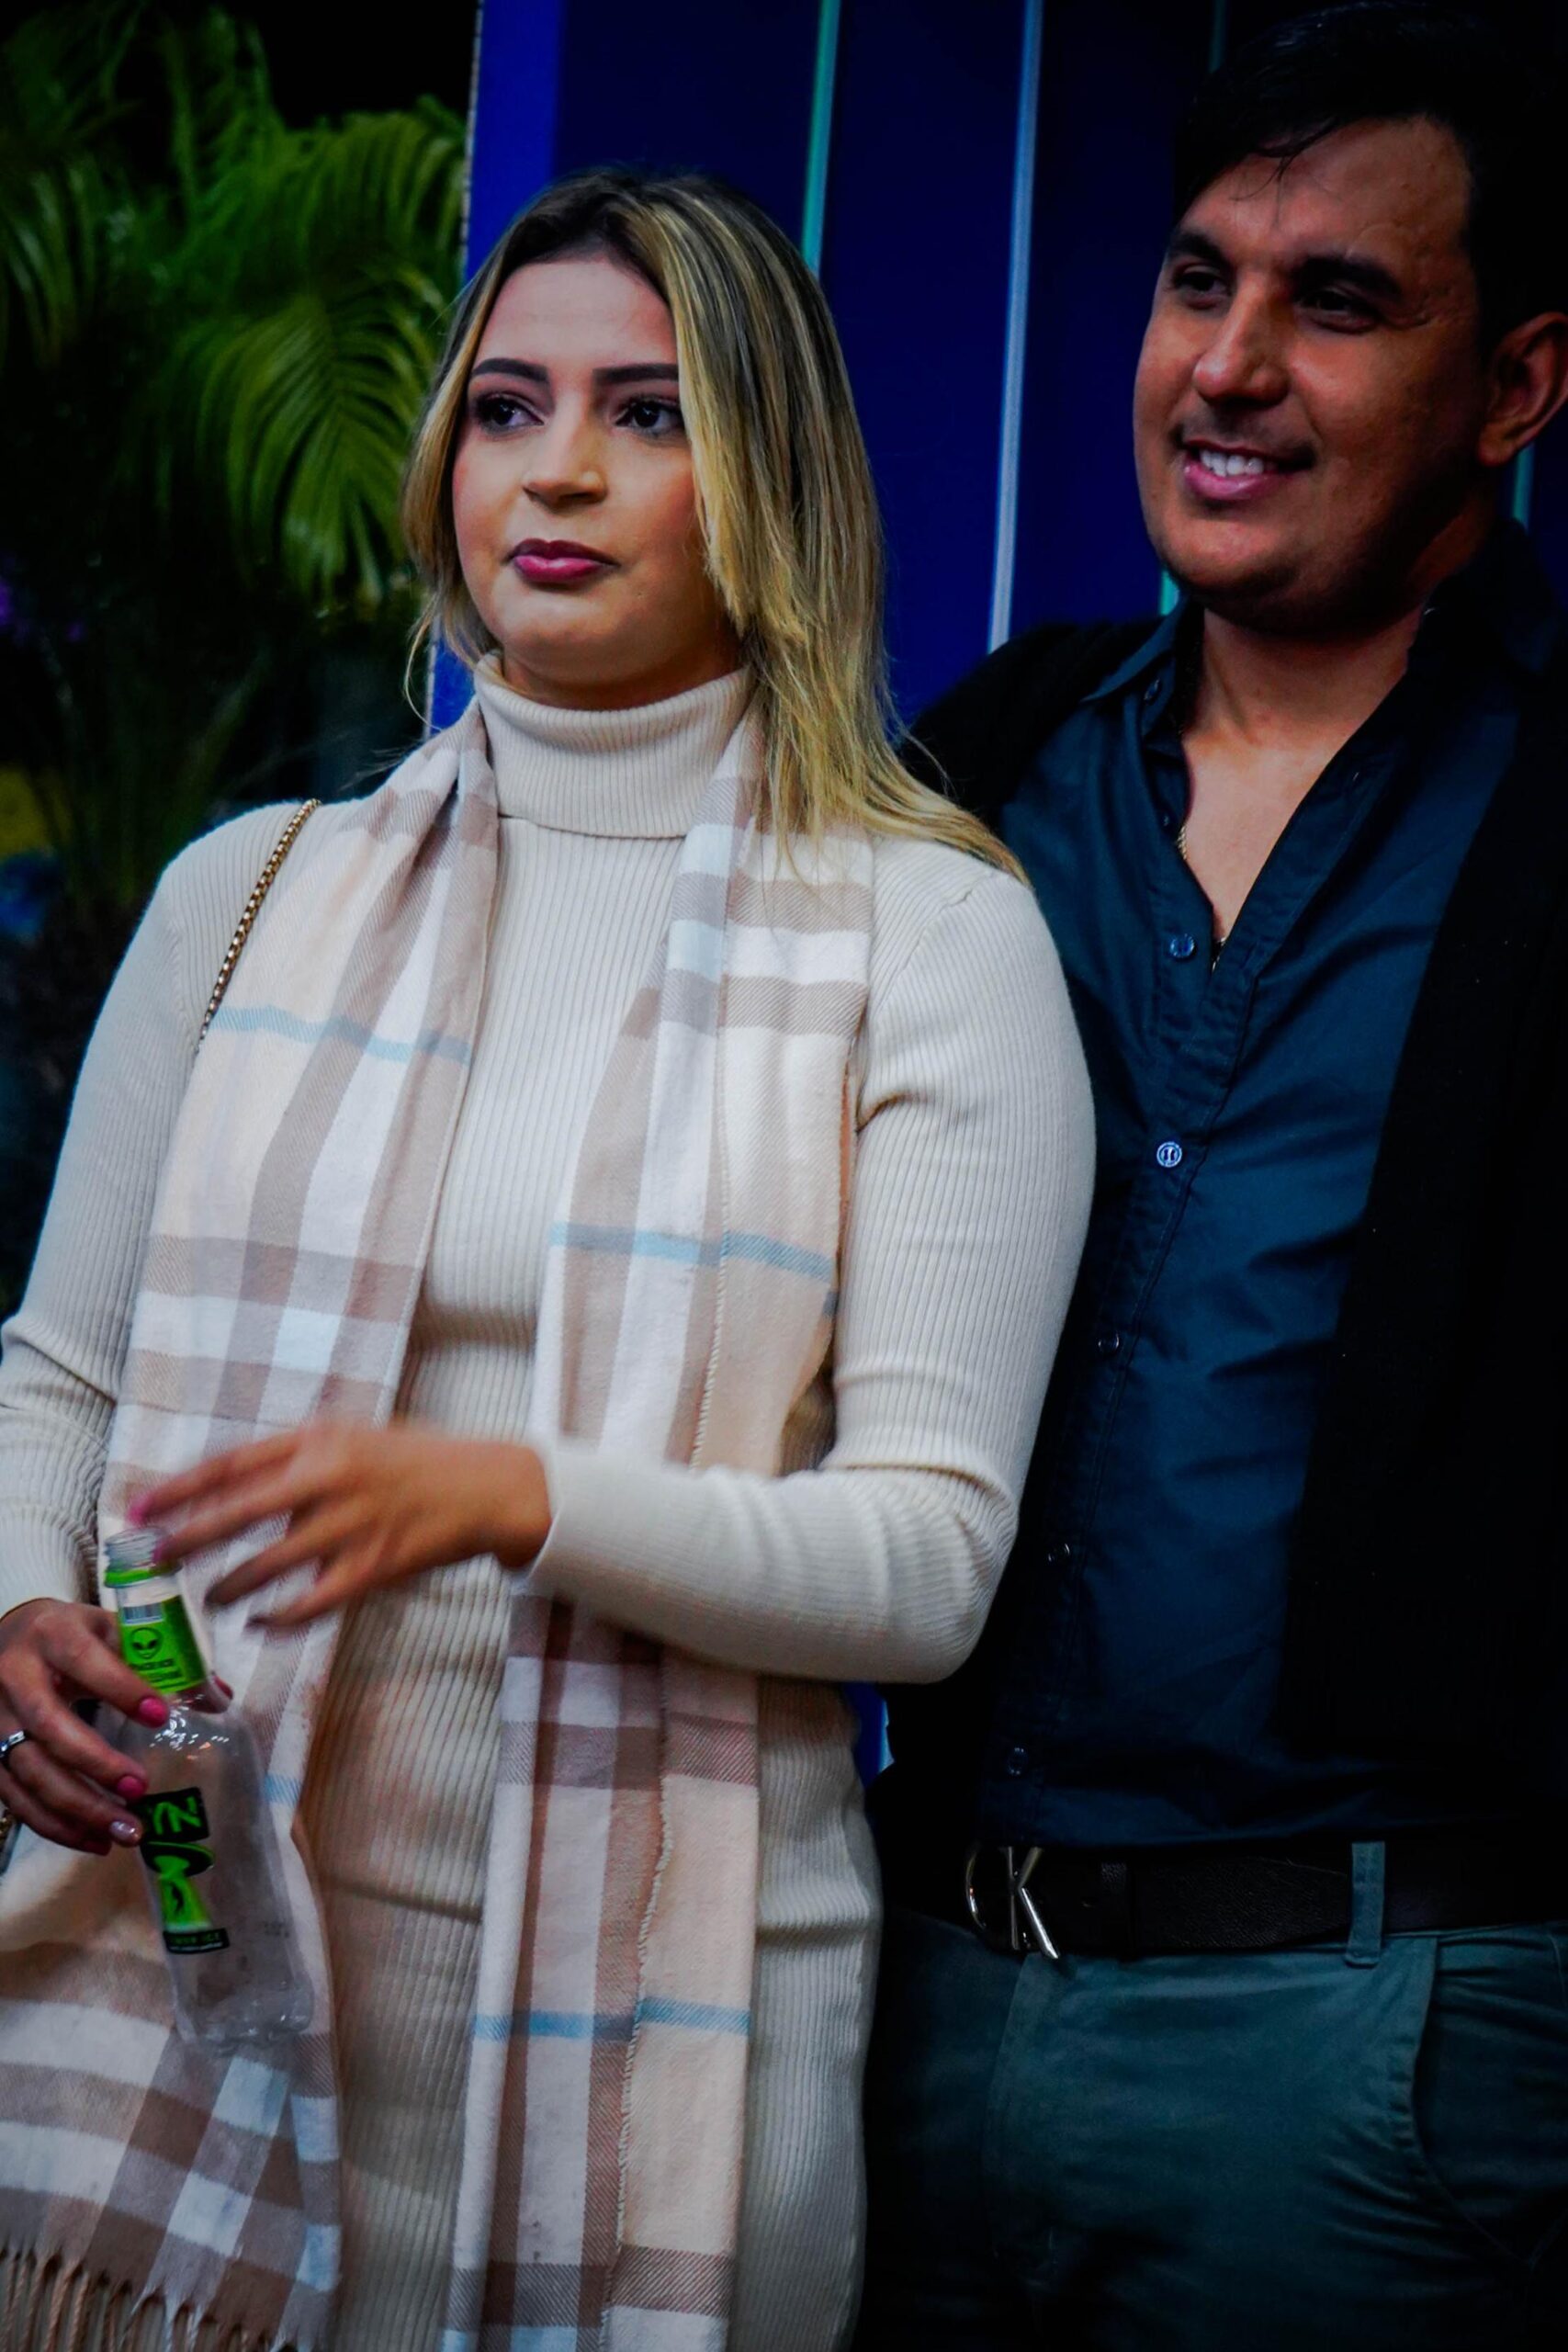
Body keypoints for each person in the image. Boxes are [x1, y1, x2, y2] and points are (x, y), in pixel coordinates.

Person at [0, 169, 1092, 2352]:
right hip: (189, 1984)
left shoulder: (929, 934)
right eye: (505, 407)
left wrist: (509, 1494)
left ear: (768, 479)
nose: (556, 470)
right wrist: (23, 1610)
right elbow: (62, 1371)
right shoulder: (250, 891)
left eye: (645, 413)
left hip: (671, 2048)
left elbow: (925, 1563)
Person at [859, 7, 1568, 2347]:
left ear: (1513, 384)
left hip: (1371, 2041)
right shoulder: (970, 772)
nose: (1228, 366)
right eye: (1195, 281)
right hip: (902, 1987)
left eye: (1332, 301)